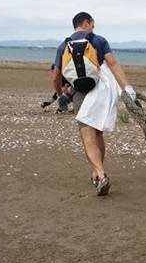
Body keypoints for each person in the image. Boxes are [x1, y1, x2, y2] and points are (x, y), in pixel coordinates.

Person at [52, 12, 136, 196]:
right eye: (92, 25)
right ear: (87, 23)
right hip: (101, 91)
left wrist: (61, 95)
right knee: (98, 133)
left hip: (80, 93)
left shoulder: (63, 45)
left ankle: (100, 173)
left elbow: (56, 75)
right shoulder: (98, 40)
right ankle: (97, 172)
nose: (93, 28)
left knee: (87, 136)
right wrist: (127, 87)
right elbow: (112, 64)